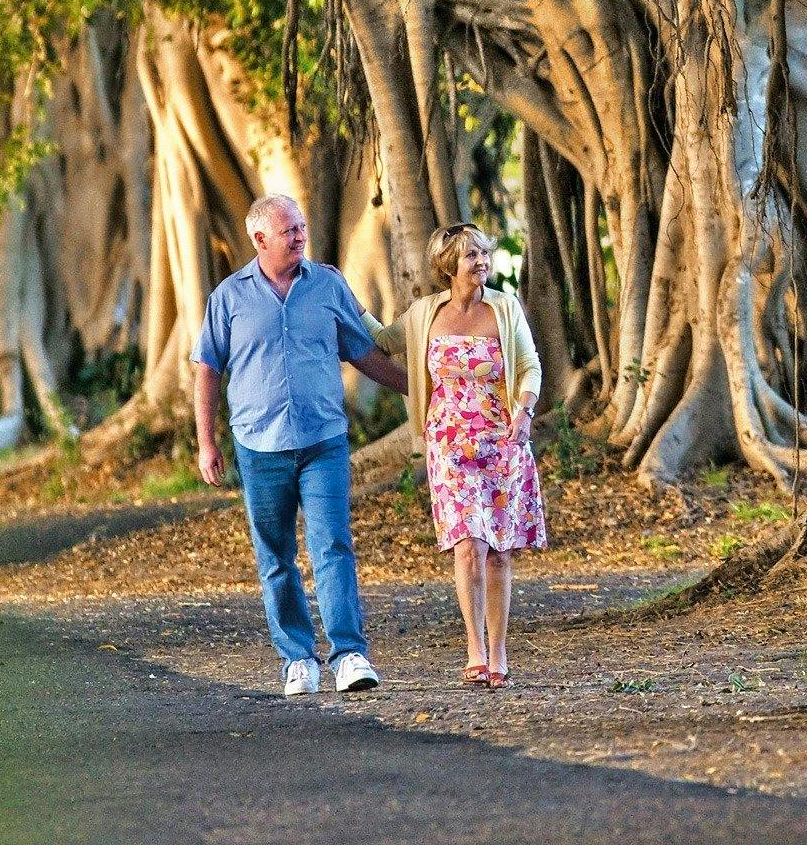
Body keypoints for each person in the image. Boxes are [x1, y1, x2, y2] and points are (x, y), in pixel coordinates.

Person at [193, 194, 409, 698]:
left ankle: (349, 654)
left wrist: (421, 390)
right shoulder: (228, 298)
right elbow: (207, 370)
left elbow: (364, 353)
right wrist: (206, 443)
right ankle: (297, 659)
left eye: (302, 227)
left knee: (332, 544)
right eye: (288, 230)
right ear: (259, 239)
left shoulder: (327, 285)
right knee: (275, 555)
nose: (299, 237)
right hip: (259, 446)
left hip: (323, 441)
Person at [375, 223, 546, 688]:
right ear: (449, 264)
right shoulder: (425, 314)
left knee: (500, 553)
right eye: (472, 255)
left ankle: (500, 652)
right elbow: (384, 340)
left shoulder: (504, 308)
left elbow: (530, 365)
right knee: (468, 545)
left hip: (502, 441)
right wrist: (343, 300)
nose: (482, 262)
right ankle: (475, 648)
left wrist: (525, 410)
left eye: (484, 253)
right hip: (449, 444)